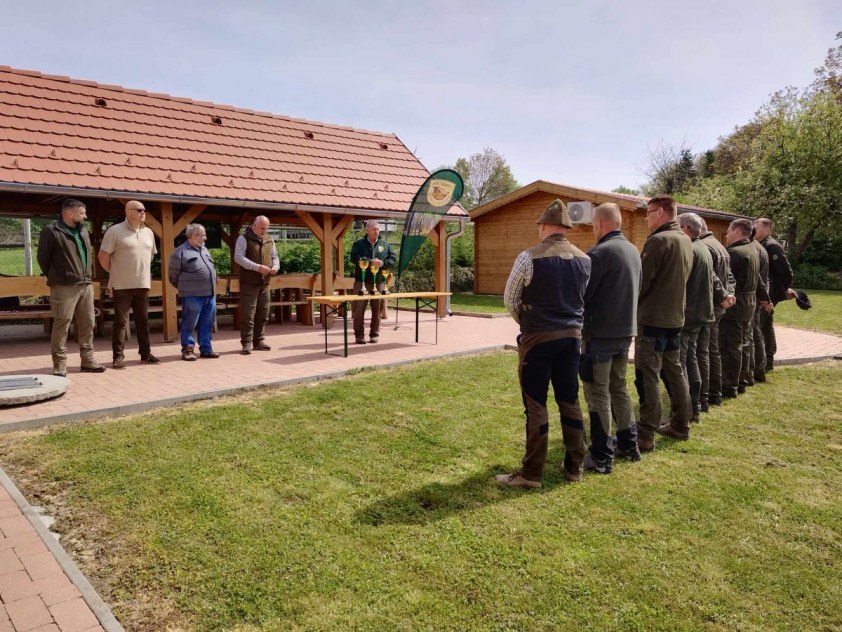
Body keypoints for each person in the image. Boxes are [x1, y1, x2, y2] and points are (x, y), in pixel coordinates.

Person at [496, 200, 591, 488]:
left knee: (536, 403)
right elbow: (582, 299)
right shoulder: (584, 259)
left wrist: (528, 324)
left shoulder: (528, 257)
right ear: (565, 228)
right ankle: (575, 465)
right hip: (572, 337)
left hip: (538, 338)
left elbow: (510, 300)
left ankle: (531, 473)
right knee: (569, 399)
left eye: (539, 225)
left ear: (545, 226)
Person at [579, 203, 642, 473]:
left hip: (600, 335)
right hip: (625, 331)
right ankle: (629, 444)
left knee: (597, 393)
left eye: (593, 224)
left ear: (601, 223)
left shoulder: (598, 254)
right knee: (619, 388)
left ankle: (602, 456)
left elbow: (583, 294)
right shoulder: (633, 250)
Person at [634, 195, 693, 449]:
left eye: (648, 212)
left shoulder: (659, 240)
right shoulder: (685, 240)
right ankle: (681, 424)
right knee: (675, 372)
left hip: (653, 320)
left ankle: (645, 433)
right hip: (675, 318)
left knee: (647, 375)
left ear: (660, 212)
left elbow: (642, 282)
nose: (646, 217)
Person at [36, 199, 105, 376]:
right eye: (82, 213)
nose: (85, 216)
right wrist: (59, 276)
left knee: (88, 323)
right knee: (62, 323)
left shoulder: (82, 230)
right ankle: (59, 364)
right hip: (64, 285)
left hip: (85, 284)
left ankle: (88, 360)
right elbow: (43, 259)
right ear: (69, 213)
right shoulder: (51, 231)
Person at [677, 213, 730, 422]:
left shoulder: (690, 249)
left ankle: (684, 410)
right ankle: (697, 405)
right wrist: (724, 295)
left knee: (682, 363)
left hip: (688, 314)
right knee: (693, 358)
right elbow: (714, 278)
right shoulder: (704, 248)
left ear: (686, 229)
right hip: (700, 314)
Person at [98, 200, 160, 369]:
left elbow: (150, 256)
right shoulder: (115, 231)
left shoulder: (148, 232)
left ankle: (145, 353)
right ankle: (118, 357)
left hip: (143, 284)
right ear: (128, 211)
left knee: (143, 320)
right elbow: (103, 257)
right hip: (121, 285)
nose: (143, 212)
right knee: (120, 322)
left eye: (144, 210)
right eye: (139, 210)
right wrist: (117, 271)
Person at [720, 219, 770, 398]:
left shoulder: (735, 253)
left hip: (736, 304)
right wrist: (765, 298)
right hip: (749, 304)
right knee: (744, 343)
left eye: (728, 231)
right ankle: (744, 378)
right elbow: (758, 279)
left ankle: (730, 384)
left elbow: (726, 281)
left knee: (730, 346)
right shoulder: (753, 249)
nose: (726, 235)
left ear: (737, 231)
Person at [168, 224, 219, 361]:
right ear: (194, 235)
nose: (205, 238)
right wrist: (186, 288)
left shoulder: (204, 250)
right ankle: (188, 349)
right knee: (189, 322)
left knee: (207, 322)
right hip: (192, 295)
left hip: (209, 294)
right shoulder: (180, 252)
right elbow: (173, 276)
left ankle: (206, 349)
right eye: (203, 235)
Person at [699, 218, 735, 408]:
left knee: (704, 352)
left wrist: (723, 295)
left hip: (710, 305)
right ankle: (714, 392)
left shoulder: (705, 247)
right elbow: (730, 277)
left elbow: (711, 277)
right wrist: (729, 295)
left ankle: (707, 395)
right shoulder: (720, 246)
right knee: (713, 351)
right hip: (719, 305)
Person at [754, 218, 796, 371]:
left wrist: (782, 291)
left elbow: (786, 271)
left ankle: (763, 361)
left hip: (769, 293)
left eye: (756, 227)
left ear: (766, 229)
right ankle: (768, 359)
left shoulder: (771, 246)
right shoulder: (761, 244)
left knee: (759, 325)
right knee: (766, 325)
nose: (754, 229)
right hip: (766, 291)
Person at [234, 215, 279, 355]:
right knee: (248, 314)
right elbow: (238, 257)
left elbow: (275, 256)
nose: (264, 231)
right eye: (261, 228)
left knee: (264, 313)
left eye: (266, 228)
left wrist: (276, 267)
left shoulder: (269, 239)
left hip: (265, 282)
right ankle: (246, 343)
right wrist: (257, 267)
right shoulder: (244, 238)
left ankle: (258, 341)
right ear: (254, 225)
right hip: (249, 282)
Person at [349, 220, 396, 345]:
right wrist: (368, 261)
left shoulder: (385, 245)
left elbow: (392, 259)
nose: (377, 231)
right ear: (367, 230)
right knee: (358, 310)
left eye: (378, 229)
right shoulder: (359, 244)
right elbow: (353, 257)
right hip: (361, 281)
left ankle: (374, 334)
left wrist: (382, 263)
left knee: (377, 309)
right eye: (374, 229)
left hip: (379, 282)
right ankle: (359, 335)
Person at [744, 229, 770, 385]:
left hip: (752, 297)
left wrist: (763, 297)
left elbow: (757, 277)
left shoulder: (753, 248)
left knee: (753, 333)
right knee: (755, 332)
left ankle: (755, 370)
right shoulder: (759, 248)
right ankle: (758, 369)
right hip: (757, 296)